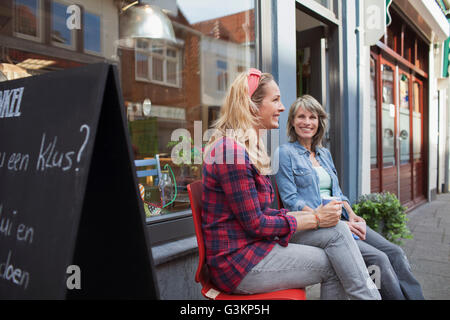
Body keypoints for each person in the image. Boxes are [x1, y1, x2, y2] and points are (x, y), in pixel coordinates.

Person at [201, 69, 380, 300]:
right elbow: (256, 224)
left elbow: (262, 213)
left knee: (337, 231)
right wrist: (314, 218)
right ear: (251, 105)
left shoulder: (246, 148)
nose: (282, 107)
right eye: (275, 100)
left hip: (256, 247)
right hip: (239, 263)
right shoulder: (231, 152)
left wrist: (315, 216)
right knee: (337, 262)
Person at [275, 94, 425, 300]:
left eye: (312, 117)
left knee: (395, 252)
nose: (307, 122)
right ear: (292, 121)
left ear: (319, 122)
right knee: (378, 259)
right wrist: (327, 218)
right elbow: (291, 199)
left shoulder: (324, 154)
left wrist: (352, 215)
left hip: (342, 219)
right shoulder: (285, 152)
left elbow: (337, 192)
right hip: (315, 224)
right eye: (301, 117)